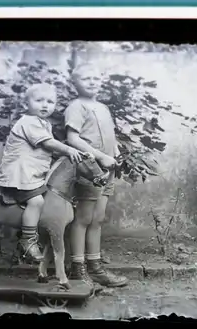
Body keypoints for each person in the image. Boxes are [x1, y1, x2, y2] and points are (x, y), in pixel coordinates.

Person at [0, 83, 83, 262]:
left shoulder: (44, 124)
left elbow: (50, 149)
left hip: (32, 173)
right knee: (36, 202)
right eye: (39, 101)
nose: (45, 105)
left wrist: (74, 152)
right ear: (26, 103)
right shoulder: (28, 122)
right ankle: (27, 240)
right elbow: (48, 144)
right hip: (21, 174)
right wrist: (68, 150)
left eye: (50, 102)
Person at [64, 63, 129, 288]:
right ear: (75, 83)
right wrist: (101, 156)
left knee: (98, 219)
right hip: (90, 169)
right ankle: (77, 269)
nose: (92, 81)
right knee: (83, 218)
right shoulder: (76, 106)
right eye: (85, 78)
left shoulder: (103, 107)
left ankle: (96, 268)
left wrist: (115, 151)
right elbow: (73, 139)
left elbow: (107, 135)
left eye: (95, 77)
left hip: (107, 169)